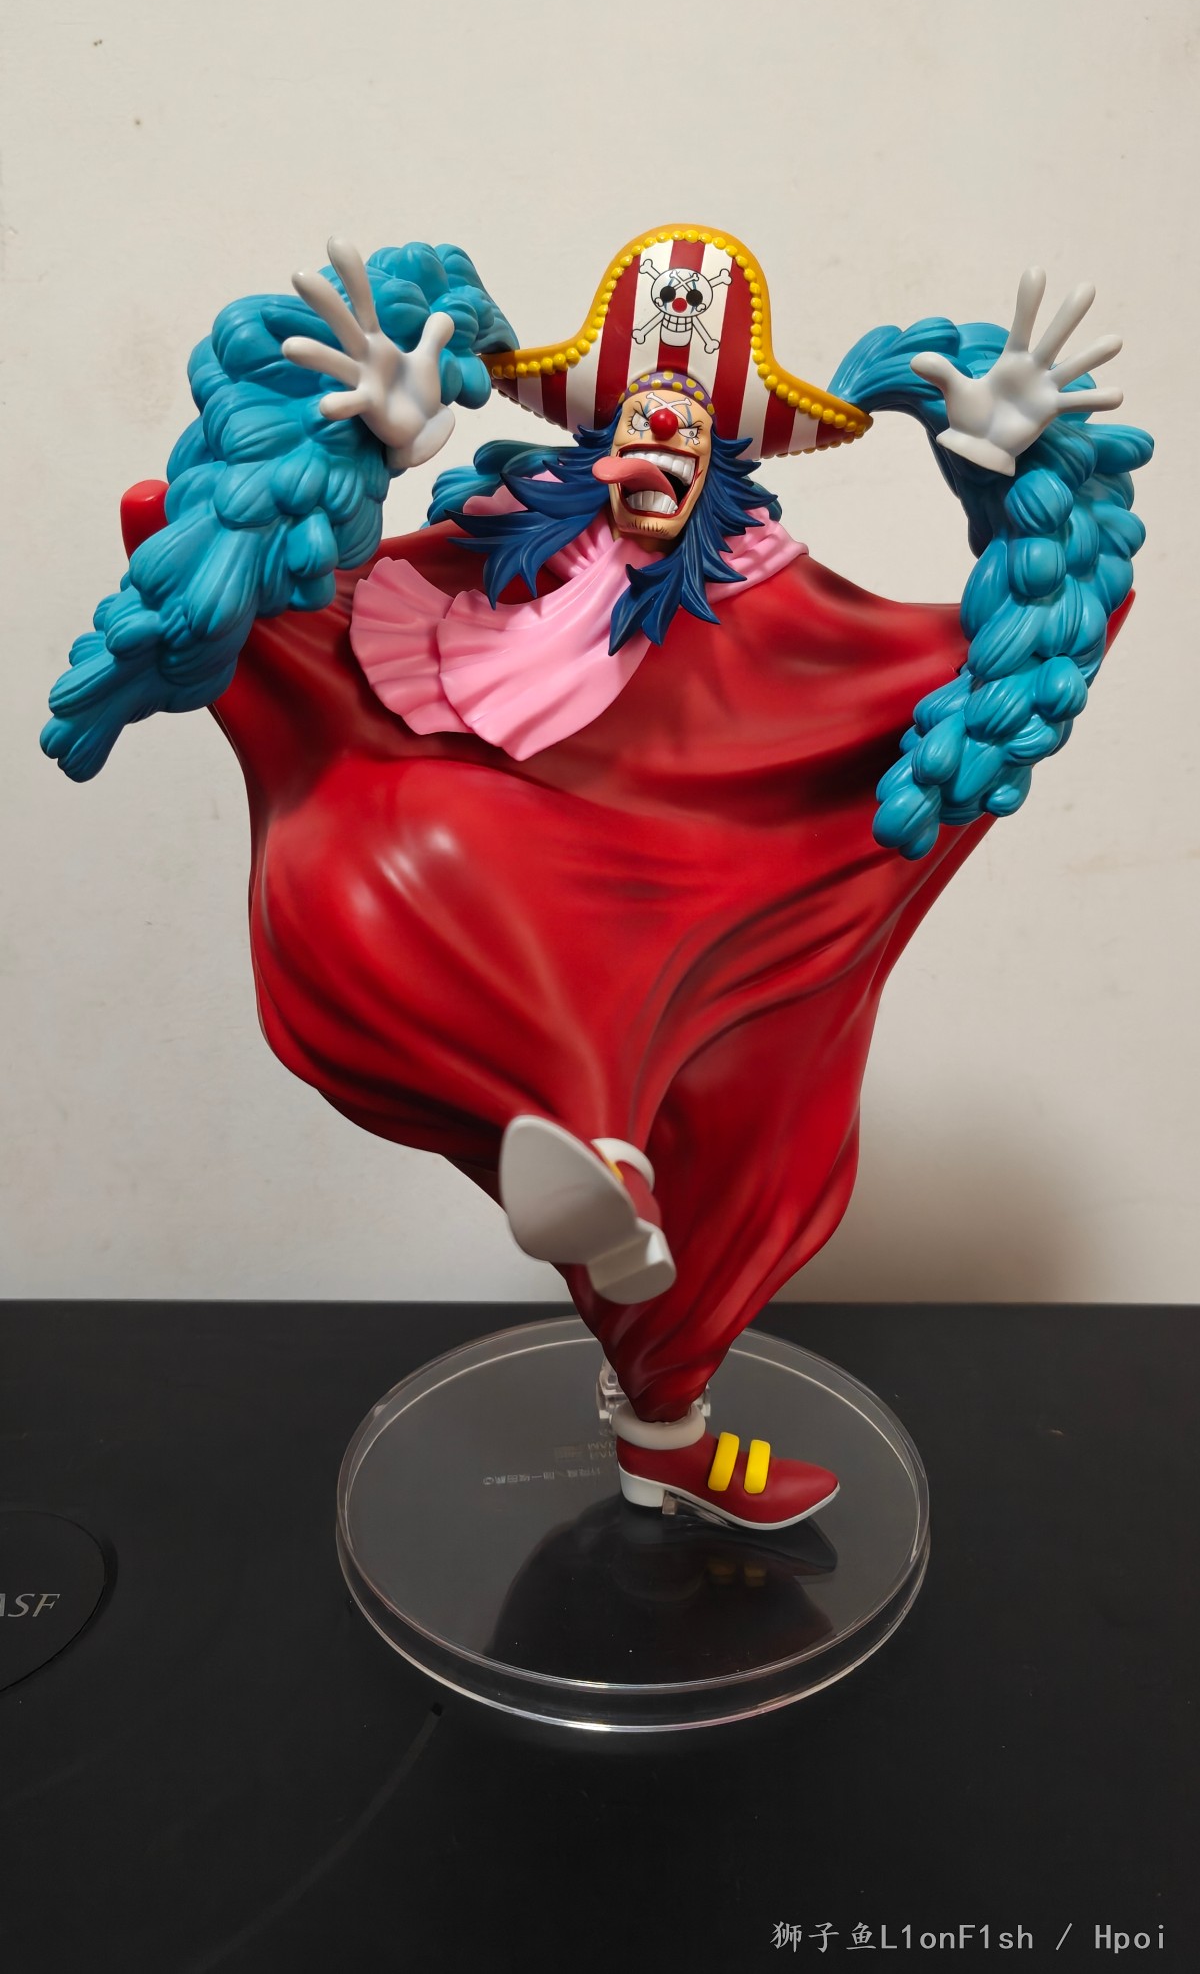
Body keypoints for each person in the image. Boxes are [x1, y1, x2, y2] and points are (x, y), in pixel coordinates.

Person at [42, 226, 1151, 1528]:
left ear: (725, 465)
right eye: (637, 420)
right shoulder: (492, 560)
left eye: (689, 431)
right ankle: (592, 1155)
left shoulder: (763, 596)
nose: (658, 445)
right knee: (433, 851)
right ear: (590, 442)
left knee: (739, 1146)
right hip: (501, 879)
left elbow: (998, 648)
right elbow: (277, 598)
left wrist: (1007, 475)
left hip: (710, 906)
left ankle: (665, 1420)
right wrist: (364, 459)